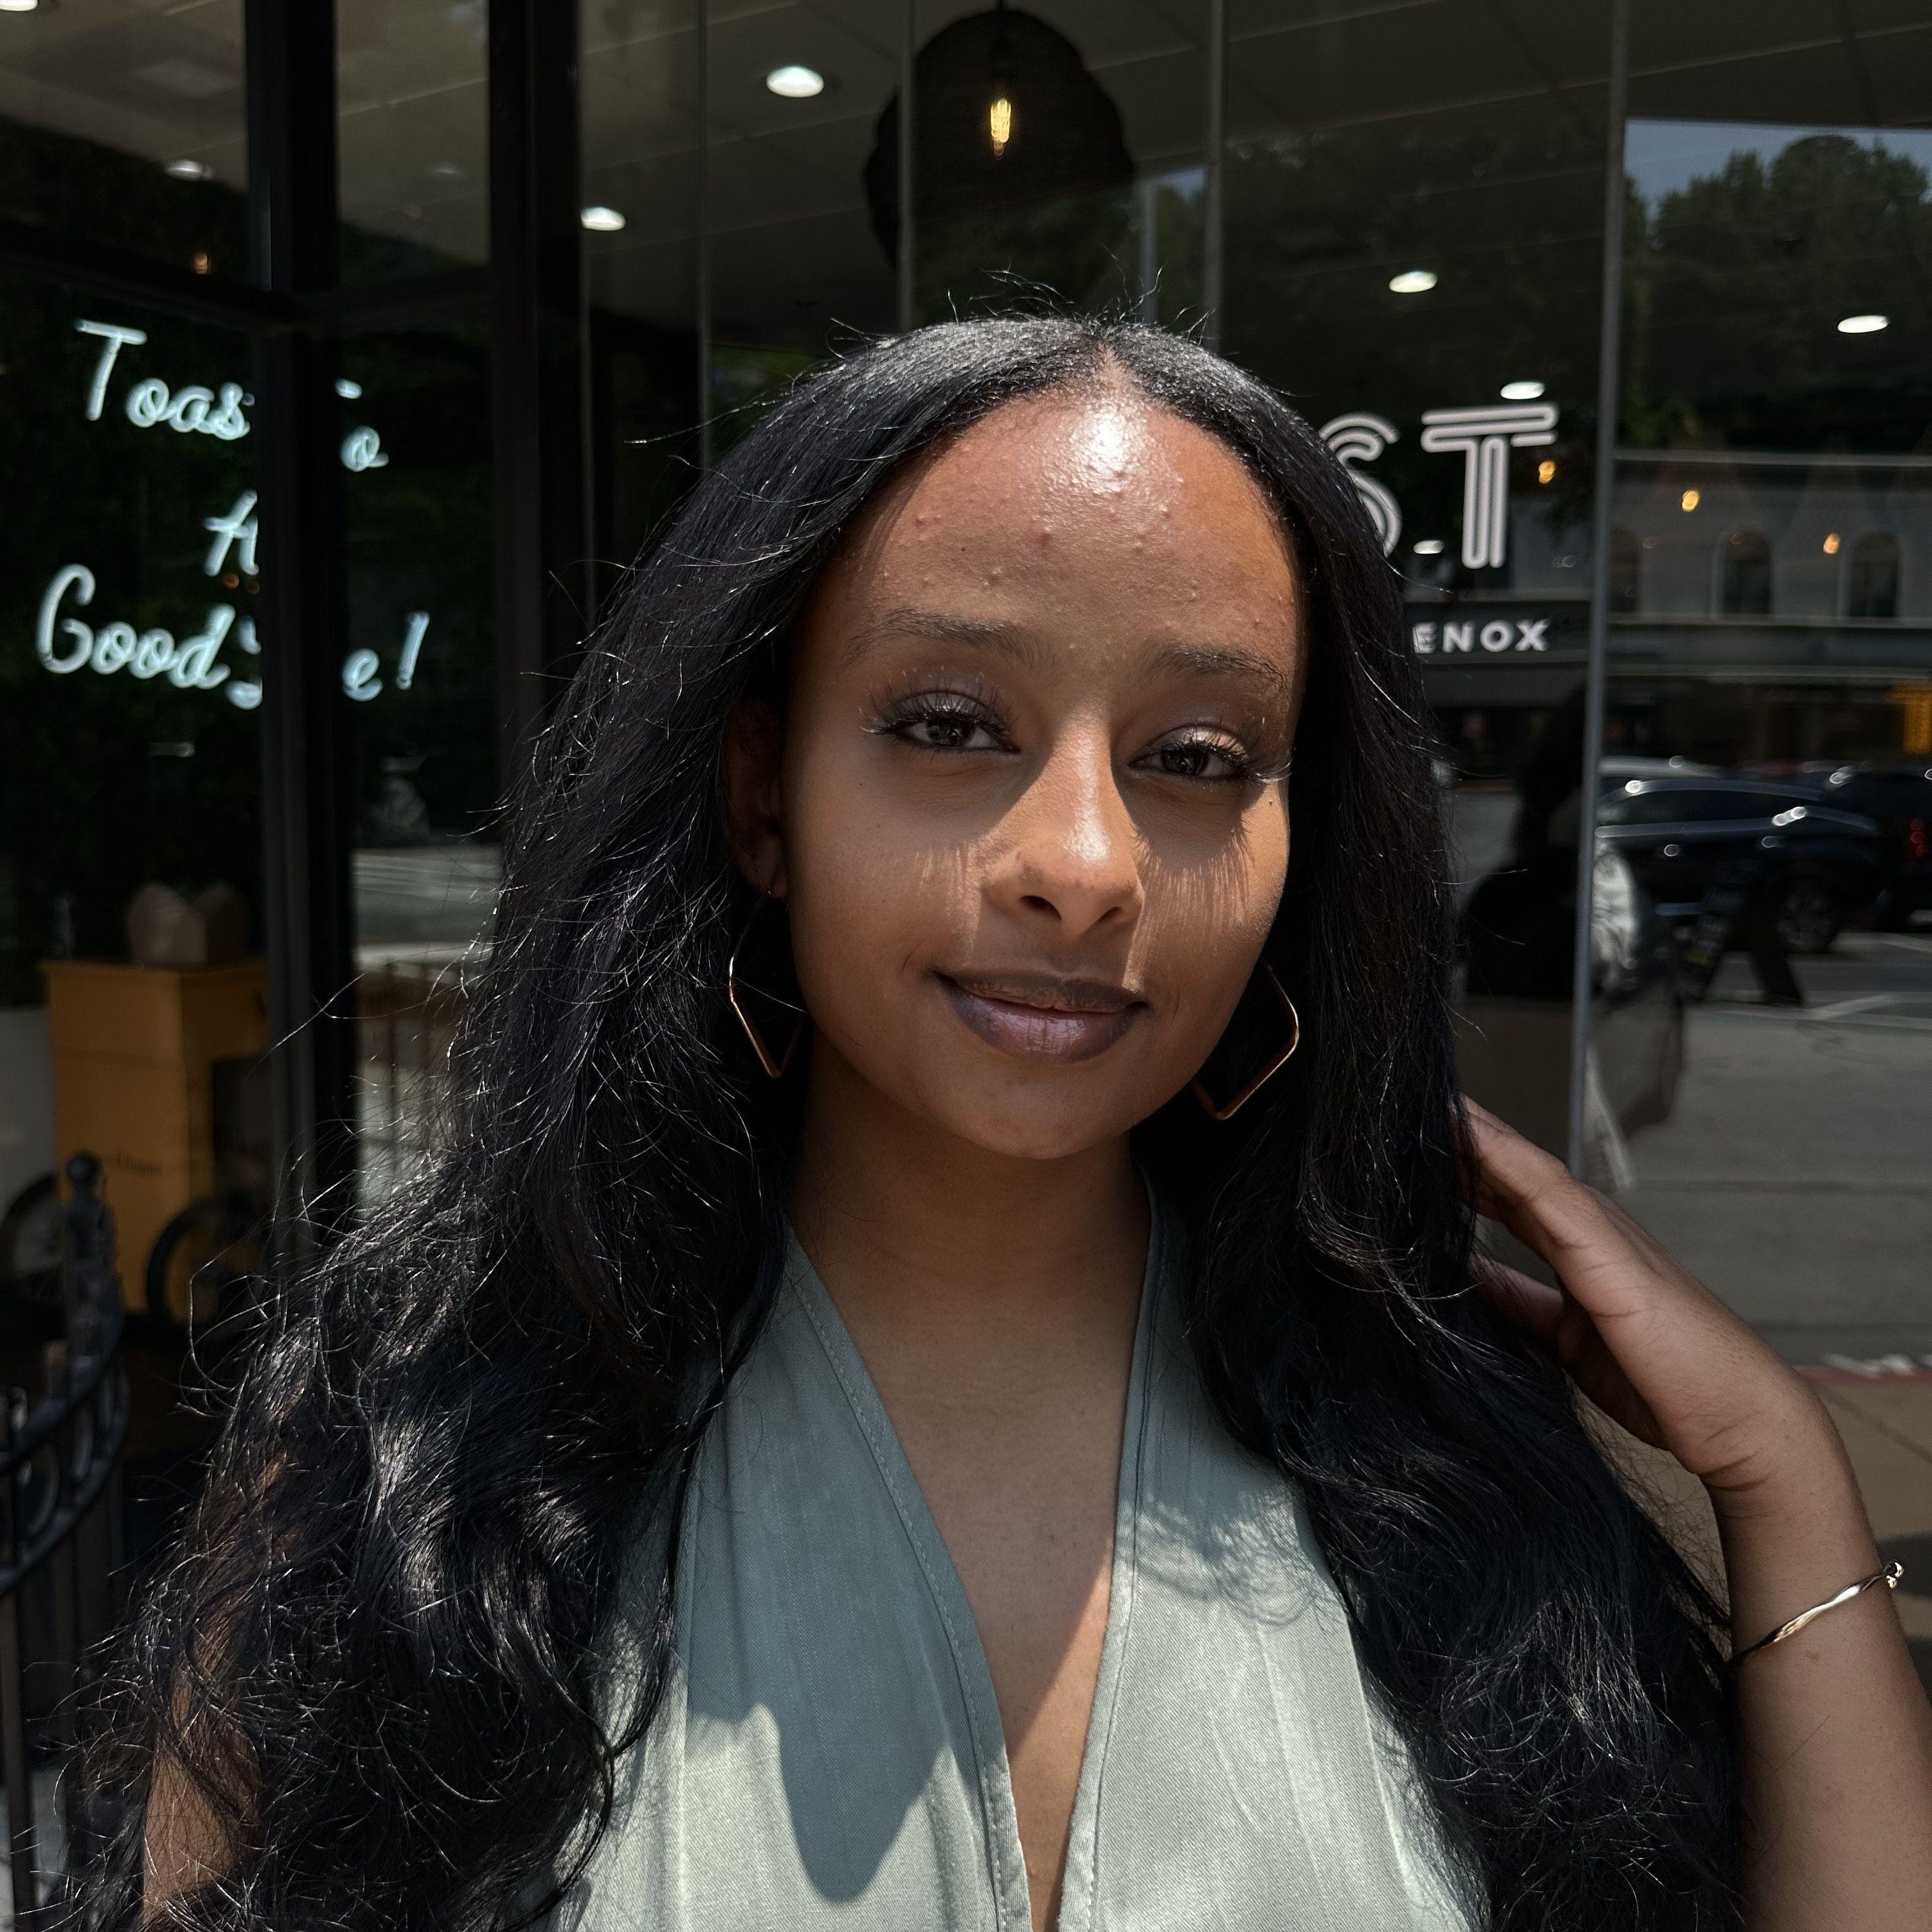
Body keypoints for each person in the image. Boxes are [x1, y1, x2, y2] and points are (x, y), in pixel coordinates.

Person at [85, 318, 1931, 1932]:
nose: (1083, 861)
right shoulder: (422, 1465)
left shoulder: (1442, 1476)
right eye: (952, 723)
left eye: (1198, 758)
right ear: (763, 798)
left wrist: (1783, 1481)